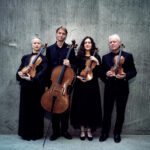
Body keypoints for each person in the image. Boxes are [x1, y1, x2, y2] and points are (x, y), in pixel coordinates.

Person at [99, 34, 137, 143]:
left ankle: (117, 133)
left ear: (119, 43)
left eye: (114, 42)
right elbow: (101, 73)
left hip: (122, 88)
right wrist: (106, 74)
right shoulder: (105, 57)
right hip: (109, 87)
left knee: (120, 112)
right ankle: (105, 132)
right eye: (110, 42)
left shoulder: (128, 56)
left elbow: (133, 71)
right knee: (107, 112)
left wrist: (126, 75)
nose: (112, 44)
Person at [46, 26, 76, 141]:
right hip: (53, 83)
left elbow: (75, 66)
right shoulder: (49, 49)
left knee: (65, 107)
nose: (61, 35)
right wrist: (46, 84)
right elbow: (46, 67)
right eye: (59, 33)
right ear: (56, 34)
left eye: (63, 33)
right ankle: (55, 132)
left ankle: (64, 130)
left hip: (65, 83)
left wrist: (70, 64)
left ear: (66, 35)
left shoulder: (70, 49)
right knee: (53, 106)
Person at [70, 36, 102, 141]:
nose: (87, 44)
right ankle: (82, 131)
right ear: (83, 45)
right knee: (81, 107)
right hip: (80, 85)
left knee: (91, 107)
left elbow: (99, 73)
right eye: (85, 42)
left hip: (92, 85)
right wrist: (78, 77)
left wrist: (97, 62)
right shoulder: (79, 56)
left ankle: (89, 131)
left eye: (89, 42)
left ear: (92, 44)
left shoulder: (96, 56)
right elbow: (74, 69)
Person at [16, 37, 48, 140]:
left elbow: (43, 72)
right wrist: (19, 73)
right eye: (35, 43)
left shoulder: (44, 59)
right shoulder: (25, 57)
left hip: (37, 87)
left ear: (40, 45)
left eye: (38, 43)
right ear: (32, 45)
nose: (37, 45)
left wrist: (33, 78)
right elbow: (21, 68)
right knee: (25, 110)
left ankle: (36, 134)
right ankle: (25, 134)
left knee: (36, 111)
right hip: (25, 87)